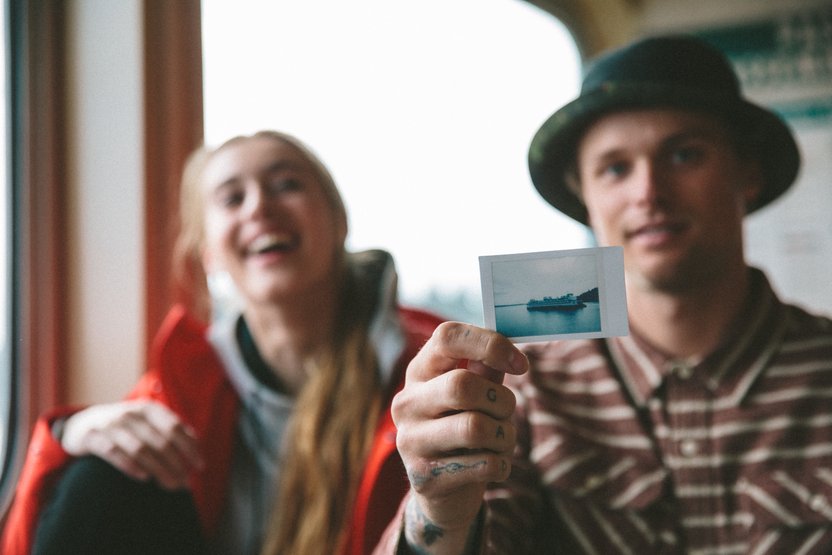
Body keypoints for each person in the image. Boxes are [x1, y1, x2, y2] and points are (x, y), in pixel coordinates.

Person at [375, 34, 832, 554]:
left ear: (747, 173)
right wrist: (438, 512)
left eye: (684, 155)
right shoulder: (520, 392)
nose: (649, 192)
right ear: (584, 197)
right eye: (615, 168)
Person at [1, 130, 444, 555]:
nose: (259, 207)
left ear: (339, 222)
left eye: (287, 184)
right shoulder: (181, 390)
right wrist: (66, 436)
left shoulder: (428, 376)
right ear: (208, 252)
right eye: (232, 198)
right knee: (102, 474)